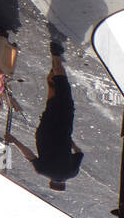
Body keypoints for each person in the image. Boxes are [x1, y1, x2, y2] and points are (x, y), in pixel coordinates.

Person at [8, 41, 83, 190]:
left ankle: (56, 56)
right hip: (46, 128)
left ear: (63, 183)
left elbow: (79, 152)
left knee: (63, 90)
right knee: (53, 96)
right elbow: (28, 154)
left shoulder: (72, 172)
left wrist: (69, 142)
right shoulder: (42, 171)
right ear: (50, 182)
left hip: (64, 127)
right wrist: (13, 140)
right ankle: (55, 65)